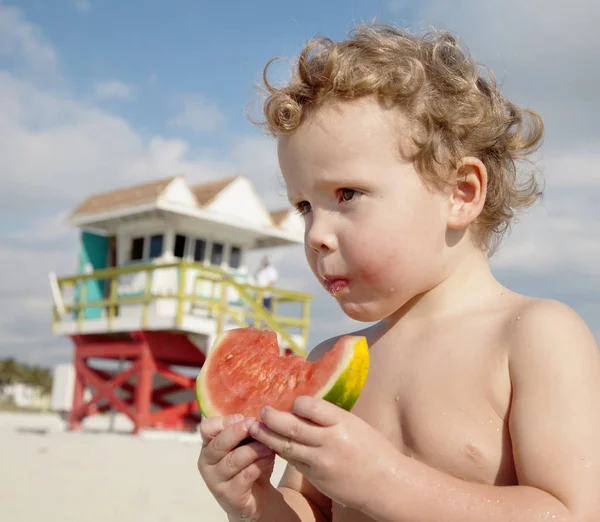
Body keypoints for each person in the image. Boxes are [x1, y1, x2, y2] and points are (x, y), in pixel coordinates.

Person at [198, 23, 600, 522]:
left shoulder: (535, 336)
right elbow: (314, 510)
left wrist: (382, 482)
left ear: (461, 192)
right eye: (304, 206)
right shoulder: (334, 359)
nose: (316, 234)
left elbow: (570, 512)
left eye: (346, 195)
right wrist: (257, 504)